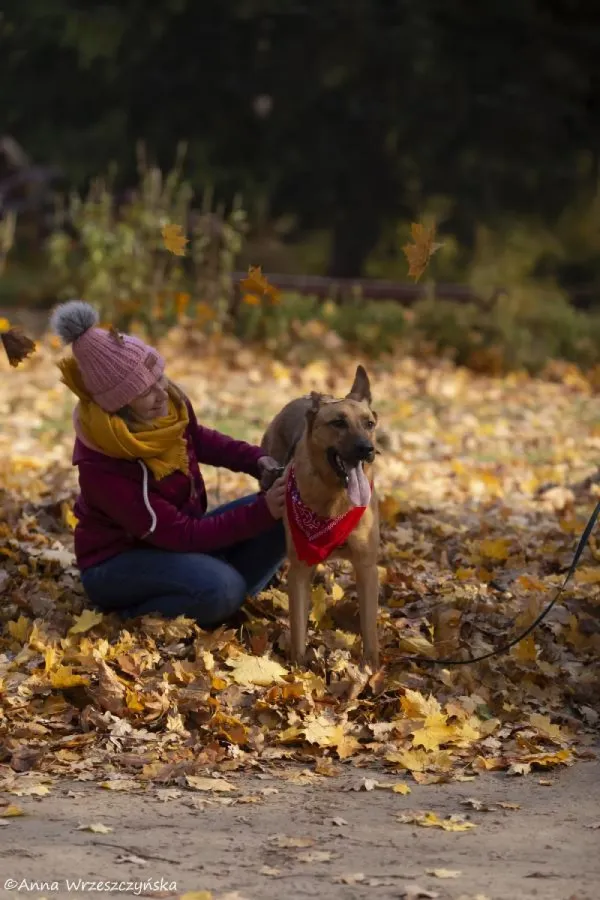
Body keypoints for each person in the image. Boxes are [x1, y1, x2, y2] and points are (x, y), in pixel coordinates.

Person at [50, 299, 287, 627]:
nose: (162, 393)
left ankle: (214, 595)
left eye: (159, 378)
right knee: (222, 587)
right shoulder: (104, 466)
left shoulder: (167, 407)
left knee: (286, 510)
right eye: (145, 391)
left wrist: (256, 460)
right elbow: (182, 535)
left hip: (174, 542)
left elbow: (199, 439)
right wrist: (261, 512)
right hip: (116, 564)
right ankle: (133, 615)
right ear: (118, 406)